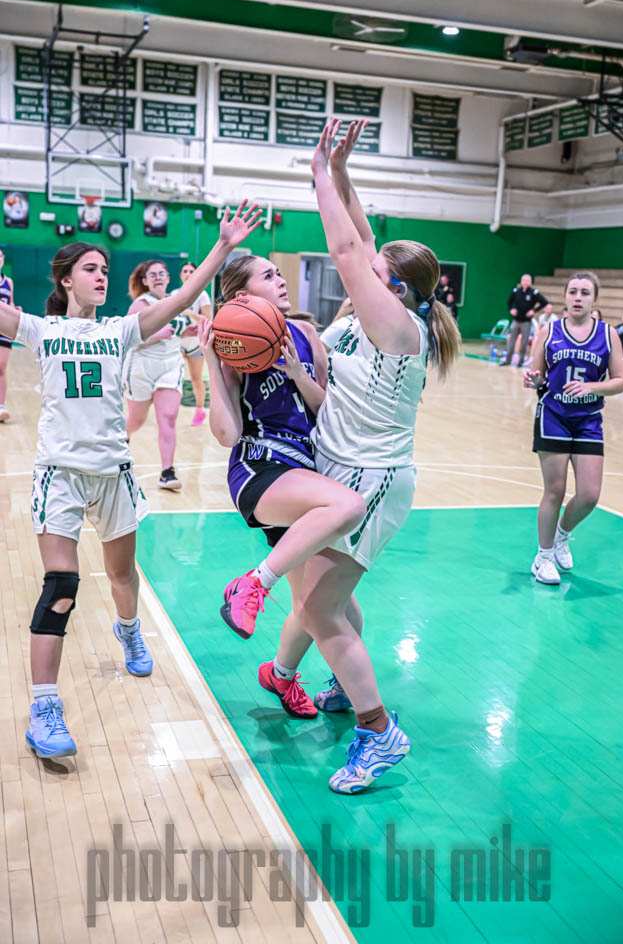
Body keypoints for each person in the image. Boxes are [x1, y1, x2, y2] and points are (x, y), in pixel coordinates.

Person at [0, 203, 260, 760]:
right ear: (66, 280)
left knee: (123, 577)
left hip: (114, 475)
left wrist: (222, 247)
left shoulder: (120, 330)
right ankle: (44, 707)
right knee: (61, 586)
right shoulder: (41, 329)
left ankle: (129, 628)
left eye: (104, 269)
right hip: (60, 476)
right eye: (90, 269)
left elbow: (181, 301)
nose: (101, 276)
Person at [258, 118, 460, 794]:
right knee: (325, 601)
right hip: (335, 471)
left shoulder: (398, 329)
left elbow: (348, 247)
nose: (361, 273)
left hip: (372, 483)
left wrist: (317, 174)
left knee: (319, 610)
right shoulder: (362, 316)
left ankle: (379, 732)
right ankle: (346, 687)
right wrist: (344, 173)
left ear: (395, 291)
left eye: (376, 276)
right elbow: (364, 242)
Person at [199, 256, 366, 718]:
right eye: (269, 275)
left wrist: (298, 375)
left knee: (334, 611)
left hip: (305, 472)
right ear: (242, 296)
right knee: (348, 506)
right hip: (261, 468)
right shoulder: (234, 342)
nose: (281, 280)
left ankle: (282, 675)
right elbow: (227, 435)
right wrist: (212, 362)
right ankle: (252, 584)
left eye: (279, 273)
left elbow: (326, 411)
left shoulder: (306, 333)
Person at [524, 271, 623, 585]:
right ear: (565, 297)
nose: (578, 297)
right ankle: (543, 558)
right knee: (554, 490)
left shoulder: (608, 334)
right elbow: (537, 375)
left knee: (589, 495)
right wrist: (533, 380)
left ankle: (562, 535)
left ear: (594, 299)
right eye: (572, 292)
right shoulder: (548, 331)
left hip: (588, 420)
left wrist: (592, 387)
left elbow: (620, 381)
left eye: (584, 292)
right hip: (553, 416)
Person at [124, 260, 195, 490]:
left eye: (161, 273)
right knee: (137, 420)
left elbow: (173, 332)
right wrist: (155, 335)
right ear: (145, 281)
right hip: (142, 365)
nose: (157, 277)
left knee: (168, 417)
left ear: (168, 278)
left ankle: (167, 472)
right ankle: (121, 439)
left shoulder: (175, 302)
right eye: (152, 274)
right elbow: (127, 338)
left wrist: (186, 332)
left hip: (170, 365)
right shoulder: (140, 305)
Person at [174, 260, 212, 426]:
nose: (188, 274)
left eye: (191, 271)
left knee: (196, 379)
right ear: (180, 275)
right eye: (185, 271)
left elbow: (208, 319)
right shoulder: (175, 293)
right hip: (179, 341)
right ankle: (170, 410)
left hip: (195, 343)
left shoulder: (202, 295)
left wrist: (189, 313)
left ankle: (200, 411)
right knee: (174, 377)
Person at [501, 274, 548, 367]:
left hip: (526, 322)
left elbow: (544, 302)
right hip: (516, 320)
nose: (525, 282)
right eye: (524, 280)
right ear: (521, 281)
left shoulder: (534, 293)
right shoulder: (516, 291)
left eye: (527, 280)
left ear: (530, 282)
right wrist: (511, 309)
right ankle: (507, 360)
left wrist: (534, 310)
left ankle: (520, 361)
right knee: (511, 341)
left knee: (524, 342)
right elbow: (509, 302)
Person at [0, 248, 19, 422]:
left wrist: (16, 310)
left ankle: (1, 407)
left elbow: (10, 302)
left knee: (1, 366)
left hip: (4, 329)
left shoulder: (9, 282)